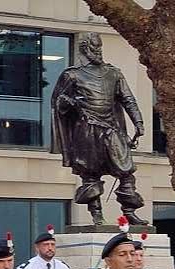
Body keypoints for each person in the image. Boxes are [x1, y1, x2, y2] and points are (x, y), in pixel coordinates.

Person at [50, 32, 147, 226]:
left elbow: (128, 99)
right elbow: (58, 102)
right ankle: (97, 215)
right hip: (86, 130)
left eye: (99, 47)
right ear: (84, 49)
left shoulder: (114, 73)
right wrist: (69, 102)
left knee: (126, 171)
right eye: (94, 48)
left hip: (111, 129)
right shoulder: (72, 75)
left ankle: (129, 211)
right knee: (90, 173)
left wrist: (138, 122)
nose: (98, 52)